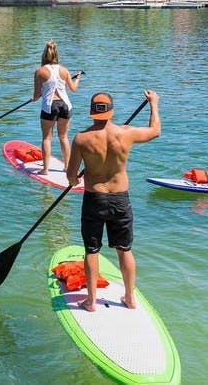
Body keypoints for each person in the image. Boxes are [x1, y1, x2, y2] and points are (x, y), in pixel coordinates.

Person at [66, 89, 161, 312]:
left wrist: (75, 181)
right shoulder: (125, 134)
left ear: (91, 112)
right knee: (124, 249)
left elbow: (71, 177)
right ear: (112, 111)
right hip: (120, 199)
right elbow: (155, 131)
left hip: (94, 199)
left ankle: (91, 301)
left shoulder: (81, 139)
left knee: (91, 251)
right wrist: (154, 103)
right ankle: (129, 297)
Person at [31, 41, 83, 175]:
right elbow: (73, 89)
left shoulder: (39, 71)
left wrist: (34, 99)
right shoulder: (64, 70)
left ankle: (45, 169)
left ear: (44, 55)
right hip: (65, 105)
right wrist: (77, 79)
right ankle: (68, 167)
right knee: (64, 137)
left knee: (47, 138)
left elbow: (37, 96)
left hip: (50, 106)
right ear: (56, 55)